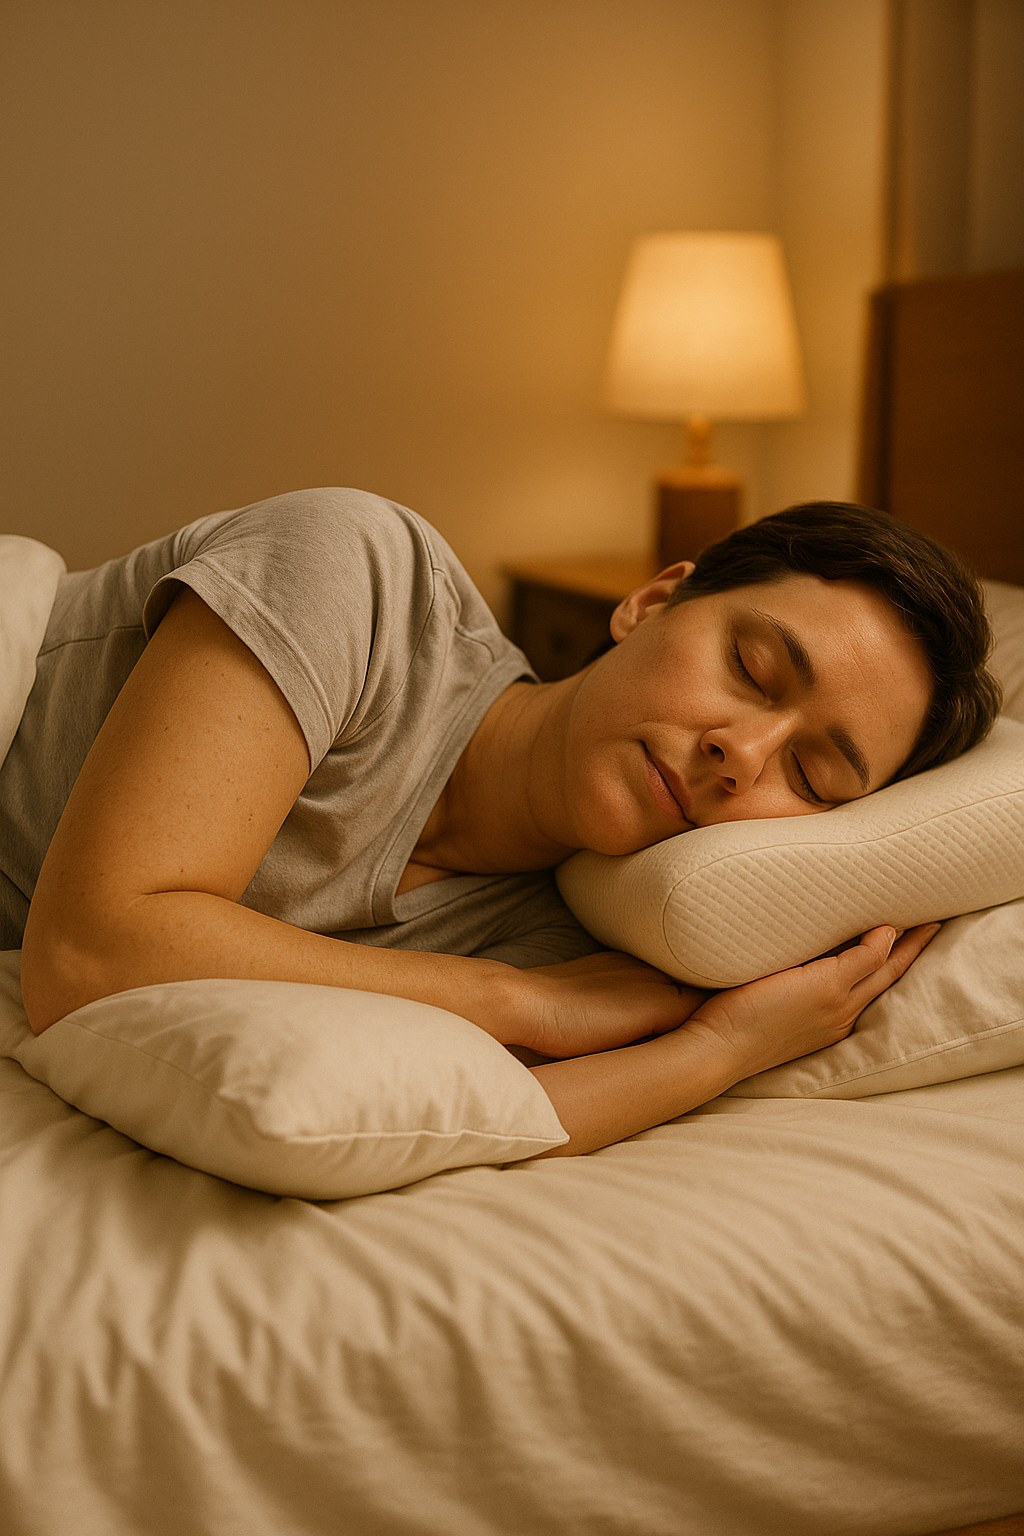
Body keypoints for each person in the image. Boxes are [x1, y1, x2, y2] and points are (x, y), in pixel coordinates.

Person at [8, 489, 1000, 1156]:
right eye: (749, 669)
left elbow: (478, 1117)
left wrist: (719, 1052)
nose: (741, 755)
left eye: (814, 774)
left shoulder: (561, 940)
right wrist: (511, 1003)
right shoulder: (362, 578)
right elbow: (91, 951)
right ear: (653, 601)